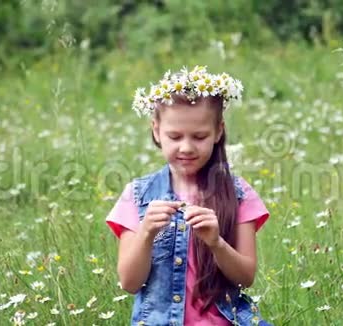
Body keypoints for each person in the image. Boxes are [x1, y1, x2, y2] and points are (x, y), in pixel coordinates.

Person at [106, 66, 271, 325]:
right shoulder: (138, 196)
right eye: (174, 136)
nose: (186, 147)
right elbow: (129, 282)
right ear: (156, 131)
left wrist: (217, 244)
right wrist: (147, 233)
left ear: (218, 131)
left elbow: (245, 277)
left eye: (199, 136)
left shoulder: (238, 194)